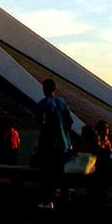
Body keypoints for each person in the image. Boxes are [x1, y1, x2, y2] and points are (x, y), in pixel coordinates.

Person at [35, 78, 75, 209]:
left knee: (47, 173)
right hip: (64, 144)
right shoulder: (62, 102)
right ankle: (66, 199)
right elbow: (70, 122)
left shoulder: (43, 103)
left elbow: (42, 122)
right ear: (55, 89)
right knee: (62, 173)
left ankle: (47, 200)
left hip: (49, 144)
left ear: (44, 89)